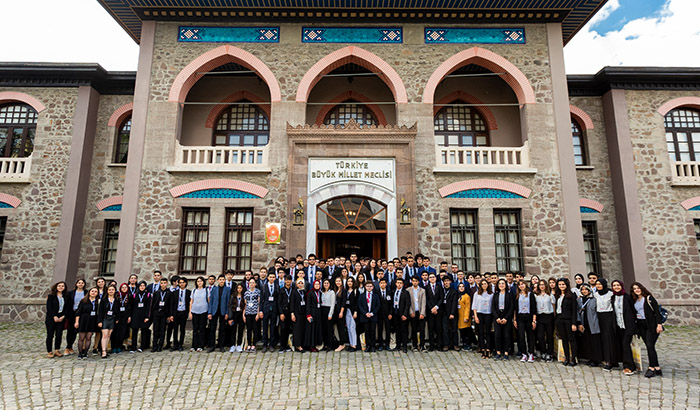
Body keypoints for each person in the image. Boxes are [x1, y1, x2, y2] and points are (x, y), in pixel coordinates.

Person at [630, 282, 664, 378]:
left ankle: (651, 368)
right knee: (650, 346)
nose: (636, 290)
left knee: (649, 345)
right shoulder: (635, 300)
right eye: (634, 289)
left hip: (651, 325)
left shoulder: (649, 298)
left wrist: (659, 324)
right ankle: (657, 368)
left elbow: (657, 312)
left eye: (638, 288)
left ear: (642, 288)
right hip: (641, 325)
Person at [612, 279, 637, 375]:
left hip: (628, 325)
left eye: (618, 285)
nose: (616, 287)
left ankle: (629, 366)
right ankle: (625, 363)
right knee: (622, 345)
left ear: (621, 286)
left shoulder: (628, 297)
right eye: (614, 285)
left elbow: (633, 311)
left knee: (626, 345)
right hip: (618, 325)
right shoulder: (613, 298)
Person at [554, 278, 578, 366]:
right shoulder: (557, 295)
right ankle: (566, 357)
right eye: (560, 284)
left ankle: (573, 358)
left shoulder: (571, 295)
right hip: (560, 319)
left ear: (566, 285)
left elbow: (574, 310)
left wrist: (574, 323)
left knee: (571, 339)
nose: (561, 286)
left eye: (563, 284)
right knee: (564, 339)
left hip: (568, 319)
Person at [576, 284, 601, 367]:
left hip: (592, 323)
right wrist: (579, 323)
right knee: (587, 342)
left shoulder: (593, 299)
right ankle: (590, 358)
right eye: (582, 290)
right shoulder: (579, 300)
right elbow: (577, 311)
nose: (584, 291)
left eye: (586, 289)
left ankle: (596, 359)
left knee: (594, 342)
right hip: (584, 323)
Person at [514, 280, 537, 363]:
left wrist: (534, 320)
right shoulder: (517, 296)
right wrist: (515, 319)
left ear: (526, 285)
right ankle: (524, 353)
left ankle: (531, 353)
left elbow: (534, 308)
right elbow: (515, 309)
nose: (521, 286)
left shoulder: (530, 295)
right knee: (521, 336)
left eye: (523, 284)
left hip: (529, 317)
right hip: (520, 317)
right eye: (520, 285)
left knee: (530, 336)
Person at [207, 274, 231, 353]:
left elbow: (228, 302)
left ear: (224, 280)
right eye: (220, 279)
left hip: (223, 311)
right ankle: (212, 345)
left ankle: (221, 345)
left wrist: (227, 313)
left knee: (222, 329)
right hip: (214, 310)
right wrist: (209, 312)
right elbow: (211, 302)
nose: (221, 281)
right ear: (218, 280)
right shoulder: (214, 289)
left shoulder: (227, 289)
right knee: (212, 329)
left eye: (223, 280)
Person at [492, 278, 515, 360]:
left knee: (506, 335)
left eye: (503, 283)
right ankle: (498, 352)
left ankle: (506, 352)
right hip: (497, 317)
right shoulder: (495, 295)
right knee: (497, 335)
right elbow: (493, 307)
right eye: (500, 283)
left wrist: (506, 318)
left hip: (506, 317)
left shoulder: (509, 295)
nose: (501, 285)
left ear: (505, 285)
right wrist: (497, 317)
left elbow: (511, 307)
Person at [74, 287, 99, 359]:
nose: (93, 292)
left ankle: (85, 353)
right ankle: (80, 353)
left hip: (92, 321)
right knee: (81, 338)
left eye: (95, 291)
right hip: (83, 320)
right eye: (92, 291)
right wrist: (76, 322)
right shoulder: (83, 301)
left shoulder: (97, 302)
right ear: (89, 292)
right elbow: (78, 312)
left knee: (88, 337)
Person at [534, 279, 555, 362]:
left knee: (549, 336)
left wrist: (554, 317)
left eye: (543, 285)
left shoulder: (550, 295)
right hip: (540, 316)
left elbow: (553, 307)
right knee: (540, 336)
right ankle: (543, 351)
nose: (542, 286)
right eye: (540, 285)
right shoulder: (536, 296)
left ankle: (549, 353)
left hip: (548, 316)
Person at [64, 278, 86, 356]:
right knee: (71, 331)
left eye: (82, 283)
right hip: (72, 313)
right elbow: (67, 304)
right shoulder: (71, 293)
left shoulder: (86, 293)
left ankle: (83, 347)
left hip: (83, 314)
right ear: (76, 284)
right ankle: (69, 346)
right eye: (79, 283)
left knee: (82, 330)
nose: (80, 284)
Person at [150, 278, 173, 353]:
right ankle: (154, 346)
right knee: (155, 330)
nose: (163, 284)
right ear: (160, 284)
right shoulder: (156, 293)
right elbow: (153, 304)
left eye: (164, 283)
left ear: (167, 284)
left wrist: (169, 315)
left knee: (162, 330)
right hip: (156, 313)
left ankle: (160, 345)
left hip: (164, 313)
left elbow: (170, 305)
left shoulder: (169, 293)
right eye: (162, 283)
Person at [472, 279, 493, 359]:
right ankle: (482, 348)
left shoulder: (491, 294)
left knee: (488, 332)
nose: (484, 285)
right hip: (479, 313)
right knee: (480, 332)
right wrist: (475, 316)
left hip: (488, 313)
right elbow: (474, 305)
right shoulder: (477, 294)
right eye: (482, 284)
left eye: (485, 284)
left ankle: (488, 349)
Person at [45, 281, 67, 358]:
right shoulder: (51, 296)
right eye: (59, 286)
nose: (61, 287)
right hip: (51, 318)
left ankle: (57, 350)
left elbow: (67, 308)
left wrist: (63, 316)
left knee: (59, 334)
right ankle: (49, 351)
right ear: (56, 287)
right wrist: (54, 316)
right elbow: (49, 308)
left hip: (61, 317)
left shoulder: (66, 297)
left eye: (62, 286)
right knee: (50, 335)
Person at [97, 284, 118, 358]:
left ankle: (105, 348)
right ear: (107, 291)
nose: (111, 291)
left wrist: (117, 319)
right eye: (109, 290)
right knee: (105, 335)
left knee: (109, 335)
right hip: (105, 318)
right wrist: (99, 321)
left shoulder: (116, 300)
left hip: (112, 318)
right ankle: (103, 351)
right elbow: (100, 311)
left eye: (112, 290)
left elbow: (117, 311)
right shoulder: (104, 300)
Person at [129, 281, 151, 353]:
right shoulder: (135, 295)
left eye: (143, 286)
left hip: (143, 315)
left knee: (143, 332)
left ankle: (142, 346)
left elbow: (149, 306)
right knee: (134, 331)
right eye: (141, 286)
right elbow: (131, 306)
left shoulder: (148, 295)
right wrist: (130, 316)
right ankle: (133, 347)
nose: (142, 287)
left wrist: (147, 316)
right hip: (135, 315)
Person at [357, 281, 379, 352]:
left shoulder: (375, 295)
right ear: (365, 287)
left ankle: (373, 346)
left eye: (370, 286)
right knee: (366, 331)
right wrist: (365, 313)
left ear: (373, 287)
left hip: (373, 316)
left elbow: (378, 306)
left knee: (372, 331)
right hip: (365, 316)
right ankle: (368, 346)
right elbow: (360, 306)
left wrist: (372, 313)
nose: (369, 288)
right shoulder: (361, 295)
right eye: (367, 286)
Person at [260, 272, 279, 352]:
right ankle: (264, 344)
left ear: (275, 278)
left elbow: (278, 299)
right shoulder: (264, 287)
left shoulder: (277, 286)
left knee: (273, 327)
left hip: (274, 309)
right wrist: (260, 310)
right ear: (268, 278)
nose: (271, 278)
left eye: (273, 277)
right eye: (270, 277)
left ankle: (272, 344)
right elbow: (261, 300)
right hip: (266, 308)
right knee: (265, 327)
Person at [390, 278, 410, 353]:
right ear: (395, 284)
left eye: (400, 283)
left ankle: (404, 346)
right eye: (398, 283)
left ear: (403, 284)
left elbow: (407, 304)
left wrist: (405, 314)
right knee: (397, 330)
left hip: (402, 313)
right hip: (395, 313)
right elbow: (391, 303)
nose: (399, 284)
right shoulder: (393, 292)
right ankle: (397, 345)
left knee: (403, 330)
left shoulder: (405, 292)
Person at [170, 277, 190, 351]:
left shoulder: (188, 292)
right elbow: (172, 304)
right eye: (180, 282)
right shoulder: (174, 293)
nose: (182, 284)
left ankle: (181, 344)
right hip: (176, 312)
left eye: (183, 282)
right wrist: (171, 315)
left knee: (182, 329)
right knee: (175, 329)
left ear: (186, 283)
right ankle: (175, 344)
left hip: (183, 312)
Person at [407, 276, 426, 352]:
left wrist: (422, 313)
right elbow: (408, 303)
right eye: (413, 281)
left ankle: (422, 345)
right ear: (411, 281)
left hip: (420, 311)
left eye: (416, 281)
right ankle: (414, 345)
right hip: (413, 312)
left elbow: (424, 302)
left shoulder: (422, 291)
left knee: (422, 329)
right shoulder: (408, 290)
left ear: (418, 282)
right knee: (414, 329)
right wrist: (411, 311)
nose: (415, 282)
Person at [425, 272, 443, 351]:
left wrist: (436, 307)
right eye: (430, 277)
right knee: (431, 329)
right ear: (428, 279)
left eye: (433, 277)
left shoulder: (439, 286)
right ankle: (431, 345)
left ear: (436, 278)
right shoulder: (426, 287)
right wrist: (431, 308)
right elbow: (426, 299)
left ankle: (439, 345)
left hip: (438, 310)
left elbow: (441, 298)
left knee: (439, 329)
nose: (432, 278)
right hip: (430, 311)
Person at [189, 277, 208, 352]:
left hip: (203, 311)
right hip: (195, 311)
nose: (199, 283)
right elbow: (191, 301)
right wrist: (190, 312)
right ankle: (194, 345)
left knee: (202, 329)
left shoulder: (206, 290)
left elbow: (208, 301)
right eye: (198, 281)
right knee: (195, 329)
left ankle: (201, 345)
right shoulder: (194, 291)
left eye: (201, 281)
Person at [243, 278, 262, 352]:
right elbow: (245, 304)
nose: (252, 284)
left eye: (253, 282)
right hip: (248, 313)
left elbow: (259, 303)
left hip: (255, 313)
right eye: (250, 283)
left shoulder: (258, 292)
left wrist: (258, 313)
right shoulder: (246, 293)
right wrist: (244, 314)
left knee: (255, 329)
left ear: (255, 284)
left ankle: (254, 344)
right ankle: (249, 344)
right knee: (249, 329)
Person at [304, 279, 324, 352]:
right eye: (316, 284)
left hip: (318, 312)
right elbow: (308, 305)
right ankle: (311, 345)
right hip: (312, 312)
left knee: (316, 328)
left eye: (318, 284)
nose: (317, 286)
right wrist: (308, 315)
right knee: (311, 329)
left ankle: (316, 344)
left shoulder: (320, 293)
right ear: (313, 285)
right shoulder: (310, 293)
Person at [441, 276, 459, 351]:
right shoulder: (442, 290)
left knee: (454, 329)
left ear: (450, 282)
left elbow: (454, 303)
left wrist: (452, 313)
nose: (446, 282)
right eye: (445, 281)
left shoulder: (453, 291)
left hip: (452, 313)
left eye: (447, 281)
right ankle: (446, 344)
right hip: (444, 313)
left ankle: (455, 344)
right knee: (445, 329)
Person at [112, 283, 132, 354]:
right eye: (122, 287)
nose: (124, 288)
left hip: (125, 316)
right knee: (115, 332)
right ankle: (114, 347)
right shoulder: (117, 295)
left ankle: (120, 346)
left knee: (122, 332)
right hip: (118, 316)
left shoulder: (129, 296)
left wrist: (129, 316)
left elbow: (130, 306)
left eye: (125, 287)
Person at [228, 283, 247, 353]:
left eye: (240, 288)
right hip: (234, 313)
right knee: (233, 329)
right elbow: (230, 306)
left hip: (241, 314)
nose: (239, 289)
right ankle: (232, 345)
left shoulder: (244, 296)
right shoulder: (233, 296)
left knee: (240, 329)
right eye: (238, 288)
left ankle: (239, 344)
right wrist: (230, 317)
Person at [291, 279, 308, 352]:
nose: (300, 285)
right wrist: (292, 313)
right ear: (296, 284)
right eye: (299, 283)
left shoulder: (304, 292)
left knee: (302, 329)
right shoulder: (294, 292)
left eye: (302, 283)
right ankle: (298, 345)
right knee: (297, 330)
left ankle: (302, 344)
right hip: (296, 313)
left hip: (303, 313)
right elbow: (292, 303)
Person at [277, 275, 294, 352]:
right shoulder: (281, 290)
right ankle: (282, 346)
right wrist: (281, 313)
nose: (288, 281)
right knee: (283, 329)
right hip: (283, 312)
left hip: (291, 311)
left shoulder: (293, 289)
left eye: (289, 280)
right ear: (284, 281)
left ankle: (287, 345)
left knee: (288, 329)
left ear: (291, 281)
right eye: (286, 280)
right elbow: (279, 303)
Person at [456, 282, 473, 351]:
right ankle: (464, 343)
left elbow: (467, 307)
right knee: (462, 331)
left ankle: (468, 344)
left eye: (462, 286)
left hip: (464, 316)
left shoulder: (466, 296)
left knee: (467, 331)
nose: (461, 288)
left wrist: (466, 317)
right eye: (460, 287)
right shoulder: (458, 295)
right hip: (459, 316)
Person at [376, 278, 392, 351]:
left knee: (388, 329)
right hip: (379, 314)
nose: (383, 284)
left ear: (386, 284)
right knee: (380, 329)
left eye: (384, 283)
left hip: (387, 314)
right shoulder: (376, 292)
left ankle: (387, 344)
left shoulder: (389, 292)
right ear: (379, 284)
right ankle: (380, 344)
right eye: (381, 283)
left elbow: (391, 304)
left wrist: (390, 313)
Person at [320, 278, 335, 351]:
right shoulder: (321, 292)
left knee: (329, 329)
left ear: (329, 284)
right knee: (324, 329)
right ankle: (325, 344)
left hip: (328, 310)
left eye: (327, 283)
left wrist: (330, 314)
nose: (326, 284)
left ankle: (330, 345)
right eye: (325, 283)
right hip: (322, 310)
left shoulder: (332, 292)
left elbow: (332, 304)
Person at [332, 276, 346, 352]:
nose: (338, 282)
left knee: (341, 328)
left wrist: (341, 312)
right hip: (335, 311)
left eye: (339, 281)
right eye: (337, 281)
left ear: (342, 282)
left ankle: (342, 344)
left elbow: (343, 302)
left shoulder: (343, 290)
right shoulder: (335, 290)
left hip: (340, 311)